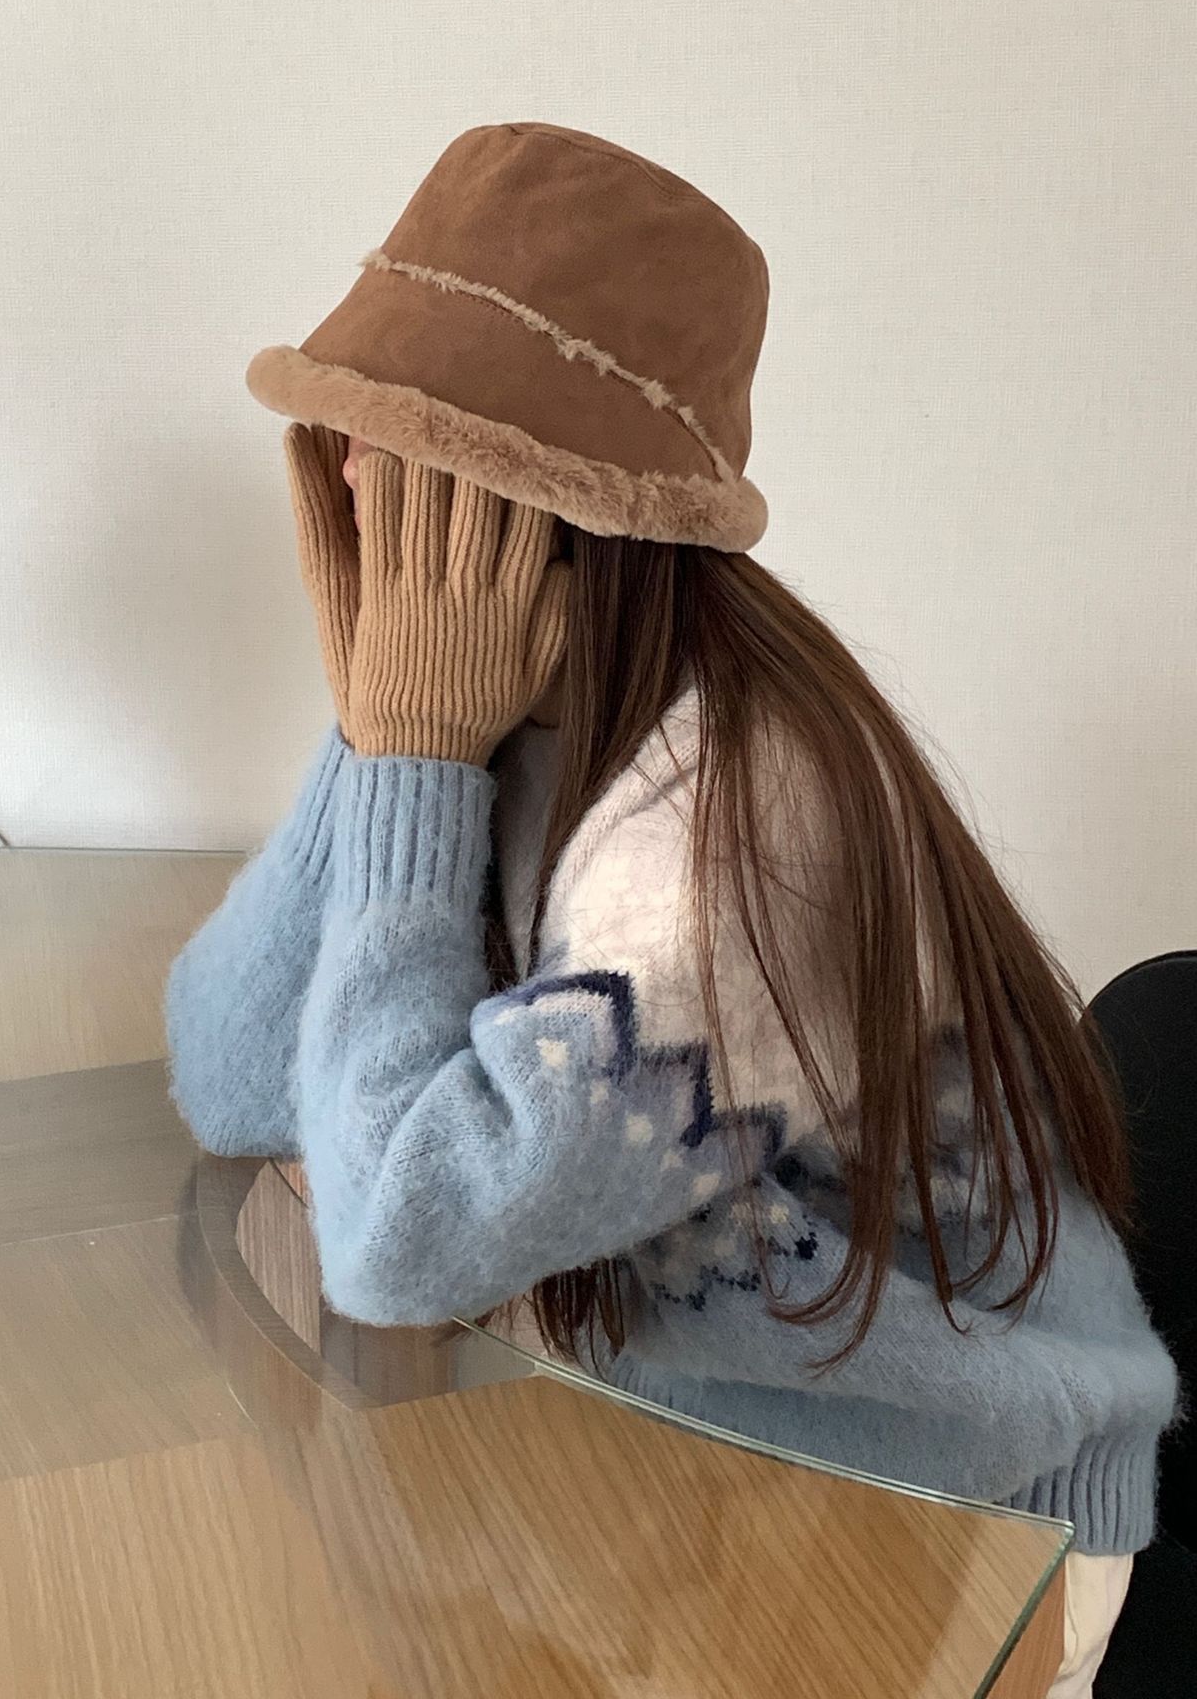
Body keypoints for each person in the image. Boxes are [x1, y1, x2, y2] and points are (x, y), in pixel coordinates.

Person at [167, 122, 1177, 1698]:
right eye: (346, 433)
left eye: (398, 443)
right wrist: (380, 736)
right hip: (687, 1437)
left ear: (545, 502)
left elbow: (398, 1241)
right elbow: (232, 1076)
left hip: (952, 1513)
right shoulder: (496, 707)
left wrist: (414, 754)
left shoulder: (742, 825)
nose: (346, 474)